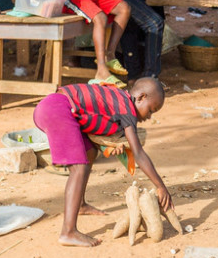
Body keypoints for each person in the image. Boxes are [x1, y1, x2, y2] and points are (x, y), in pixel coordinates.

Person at [32, 77, 171, 246]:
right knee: (79, 168)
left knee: (90, 152)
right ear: (141, 97)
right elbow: (139, 153)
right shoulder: (127, 109)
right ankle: (68, 232)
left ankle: (80, 204)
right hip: (57, 110)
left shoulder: (119, 98)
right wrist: (160, 186)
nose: (149, 116)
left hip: (54, 107)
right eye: (151, 110)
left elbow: (95, 122)